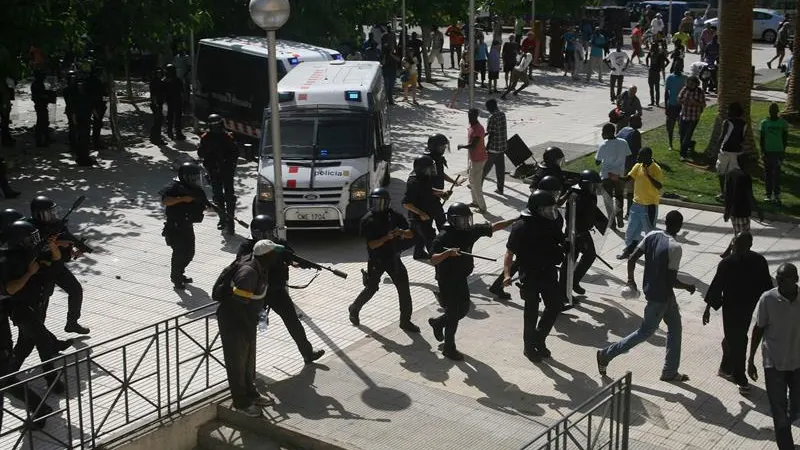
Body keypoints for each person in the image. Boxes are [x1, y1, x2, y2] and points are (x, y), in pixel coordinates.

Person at [598, 211, 696, 382]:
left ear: (665, 222)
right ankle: (606, 354)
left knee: (675, 330)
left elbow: (632, 258)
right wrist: (688, 286)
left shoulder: (652, 235)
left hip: (659, 294)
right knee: (645, 332)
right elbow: (671, 280)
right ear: (679, 226)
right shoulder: (675, 248)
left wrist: (631, 281)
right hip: (660, 298)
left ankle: (670, 371)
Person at [429, 203, 517, 360]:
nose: (465, 223)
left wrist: (515, 219)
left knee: (463, 309)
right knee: (454, 313)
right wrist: (447, 253)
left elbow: (493, 227)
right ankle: (449, 348)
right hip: (447, 279)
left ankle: (439, 323)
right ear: (453, 220)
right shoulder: (444, 236)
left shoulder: (470, 231)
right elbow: (433, 259)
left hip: (461, 277)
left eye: (467, 219)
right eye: (462, 220)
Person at [235, 215, 326, 365]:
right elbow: (242, 266)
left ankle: (308, 354)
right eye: (270, 233)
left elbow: (291, 257)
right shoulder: (247, 247)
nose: (273, 236)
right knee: (254, 326)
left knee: (293, 321)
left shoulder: (278, 244)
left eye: (273, 232)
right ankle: (246, 365)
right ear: (260, 234)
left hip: (276, 292)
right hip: (257, 295)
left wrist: (300, 263)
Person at [703, 232, 773, 394]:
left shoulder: (759, 261)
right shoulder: (727, 263)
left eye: (740, 245)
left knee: (736, 337)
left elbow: (767, 286)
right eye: (736, 244)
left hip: (748, 305)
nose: (736, 247)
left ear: (749, 245)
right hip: (731, 307)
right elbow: (716, 285)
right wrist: (707, 309)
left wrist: (771, 308)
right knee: (740, 339)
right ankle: (740, 377)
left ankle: (725, 367)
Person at [218, 239, 281, 417]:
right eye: (274, 254)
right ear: (267, 256)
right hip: (235, 322)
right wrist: (247, 327)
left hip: (247, 321)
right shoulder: (248, 273)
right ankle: (241, 402)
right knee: (237, 364)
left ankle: (251, 393)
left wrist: (260, 322)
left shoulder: (261, 266)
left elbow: (258, 299)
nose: (277, 257)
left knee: (247, 361)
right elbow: (238, 304)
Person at [503, 190, 564, 362]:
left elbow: (559, 240)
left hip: (549, 270)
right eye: (546, 209)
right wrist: (507, 274)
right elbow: (509, 252)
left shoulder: (551, 222)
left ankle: (539, 338)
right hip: (529, 274)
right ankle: (529, 347)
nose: (550, 212)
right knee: (531, 312)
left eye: (552, 209)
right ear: (536, 209)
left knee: (555, 305)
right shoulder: (521, 226)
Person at [349, 188, 418, 331]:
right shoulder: (367, 220)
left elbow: (411, 234)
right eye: (374, 202)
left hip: (393, 258)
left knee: (404, 289)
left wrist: (401, 232)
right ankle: (354, 308)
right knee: (372, 288)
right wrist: (386, 237)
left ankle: (405, 321)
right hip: (376, 260)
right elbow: (372, 244)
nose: (377, 206)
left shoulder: (395, 216)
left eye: (380, 203)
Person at [747, 263, 800, 450]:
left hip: (797, 363)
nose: (779, 280)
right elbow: (758, 328)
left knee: (795, 409)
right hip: (774, 364)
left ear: (796, 280)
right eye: (778, 276)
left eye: (784, 277)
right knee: (779, 412)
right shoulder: (767, 299)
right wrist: (751, 359)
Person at [29, 195, 90, 334]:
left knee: (76, 290)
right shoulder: (32, 228)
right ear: (38, 214)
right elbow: (37, 246)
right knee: (42, 303)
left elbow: (67, 239)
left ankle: (72, 323)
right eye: (48, 213)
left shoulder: (57, 225)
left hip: (57, 265)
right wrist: (56, 243)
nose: (53, 215)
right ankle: (38, 335)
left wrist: (73, 248)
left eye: (54, 212)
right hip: (42, 270)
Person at [160, 162, 207, 288]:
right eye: (194, 178)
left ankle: (180, 273)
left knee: (190, 253)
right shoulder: (174, 187)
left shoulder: (195, 189)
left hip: (187, 225)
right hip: (175, 226)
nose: (197, 180)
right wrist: (182, 199)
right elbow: (165, 201)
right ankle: (176, 278)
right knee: (179, 253)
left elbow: (203, 202)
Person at [617, 147, 664, 260]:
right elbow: (628, 179)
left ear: (648, 156)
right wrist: (617, 178)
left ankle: (651, 256)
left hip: (649, 206)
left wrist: (648, 176)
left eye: (640, 155)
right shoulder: (638, 166)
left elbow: (659, 186)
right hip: (636, 205)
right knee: (631, 231)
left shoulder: (656, 169)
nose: (637, 157)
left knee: (650, 233)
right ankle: (629, 251)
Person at [561, 170, 602, 296]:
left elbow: (593, 211)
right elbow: (570, 216)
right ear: (585, 184)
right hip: (575, 232)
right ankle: (562, 292)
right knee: (569, 261)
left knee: (590, 255)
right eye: (593, 185)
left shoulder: (590, 195)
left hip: (584, 231)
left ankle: (574, 281)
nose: (595, 188)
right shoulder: (575, 196)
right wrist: (576, 233)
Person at [198, 114, 239, 235]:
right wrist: (209, 152)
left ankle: (230, 222)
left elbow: (235, 154)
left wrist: (227, 164)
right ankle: (222, 218)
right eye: (213, 125)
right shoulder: (206, 138)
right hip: (214, 171)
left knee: (230, 197)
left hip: (226, 171)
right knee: (217, 196)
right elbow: (201, 154)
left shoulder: (228, 137)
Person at [403, 155, 448, 260]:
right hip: (418, 217)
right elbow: (406, 203)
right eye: (429, 168)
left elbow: (427, 190)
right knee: (430, 238)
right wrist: (421, 213)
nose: (432, 170)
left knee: (420, 237)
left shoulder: (424, 177)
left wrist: (441, 193)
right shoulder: (413, 182)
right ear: (422, 169)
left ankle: (418, 254)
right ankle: (437, 260)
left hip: (428, 212)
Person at [721, 153, 761, 259]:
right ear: (746, 164)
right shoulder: (746, 177)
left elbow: (727, 194)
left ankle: (728, 251)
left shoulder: (730, 173)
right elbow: (749, 196)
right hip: (743, 212)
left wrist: (726, 211)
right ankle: (734, 255)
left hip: (733, 211)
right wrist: (758, 210)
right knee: (743, 237)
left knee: (738, 234)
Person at [595, 123, 631, 230]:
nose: (601, 134)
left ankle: (612, 223)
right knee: (619, 197)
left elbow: (597, 162)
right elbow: (628, 155)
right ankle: (619, 218)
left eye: (603, 132)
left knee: (608, 200)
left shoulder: (603, 145)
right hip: (619, 176)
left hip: (606, 176)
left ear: (606, 133)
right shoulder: (623, 142)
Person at [424, 134, 462, 229]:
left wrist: (454, 181)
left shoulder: (438, 158)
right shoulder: (427, 161)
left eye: (445, 146)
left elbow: (440, 174)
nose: (444, 149)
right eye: (442, 146)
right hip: (427, 198)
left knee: (440, 223)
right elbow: (424, 185)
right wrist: (440, 194)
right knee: (435, 225)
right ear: (434, 146)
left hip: (436, 197)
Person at [715, 102, 747, 200]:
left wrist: (716, 149)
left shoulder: (727, 122)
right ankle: (733, 193)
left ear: (733, 111)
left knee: (721, 173)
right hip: (737, 152)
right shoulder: (744, 124)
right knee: (734, 174)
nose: (727, 111)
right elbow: (743, 138)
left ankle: (723, 193)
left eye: (729, 110)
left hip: (725, 151)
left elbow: (722, 137)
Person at [458, 109, 488, 212]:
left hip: (479, 159)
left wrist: (461, 146)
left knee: (476, 183)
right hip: (473, 158)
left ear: (476, 116)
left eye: (472, 116)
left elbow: (473, 144)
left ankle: (482, 207)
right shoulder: (472, 126)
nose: (470, 118)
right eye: (469, 116)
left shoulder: (478, 128)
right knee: (471, 180)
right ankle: (475, 202)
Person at [760, 102, 789, 204]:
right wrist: (762, 152)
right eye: (771, 111)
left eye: (774, 111)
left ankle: (776, 195)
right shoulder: (764, 123)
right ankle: (768, 194)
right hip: (767, 152)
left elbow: (785, 138)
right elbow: (762, 139)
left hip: (778, 152)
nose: (772, 112)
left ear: (777, 112)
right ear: (769, 111)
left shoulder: (783, 123)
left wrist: (783, 152)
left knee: (776, 173)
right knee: (768, 174)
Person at [616, 115, 643, 219]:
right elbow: (638, 152)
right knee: (630, 191)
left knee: (620, 191)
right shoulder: (635, 133)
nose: (641, 121)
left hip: (619, 165)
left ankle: (619, 212)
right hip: (629, 165)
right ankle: (629, 212)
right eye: (639, 120)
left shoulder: (623, 130)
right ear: (632, 121)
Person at [677, 75, 705, 161]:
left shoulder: (699, 92)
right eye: (688, 83)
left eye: (691, 83)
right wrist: (683, 101)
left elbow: (703, 105)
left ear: (696, 84)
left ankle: (683, 154)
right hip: (683, 116)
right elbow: (678, 99)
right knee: (682, 134)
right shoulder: (685, 89)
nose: (689, 85)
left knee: (687, 136)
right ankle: (690, 144)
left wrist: (694, 103)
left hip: (693, 118)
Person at [482, 99, 507, 195]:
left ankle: (477, 186)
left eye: (487, 108)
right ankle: (500, 189)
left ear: (490, 107)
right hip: (502, 146)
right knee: (500, 169)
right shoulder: (502, 114)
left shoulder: (492, 117)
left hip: (493, 147)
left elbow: (490, 132)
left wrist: (486, 145)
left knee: (484, 169)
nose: (487, 109)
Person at [664, 67, 687, 151]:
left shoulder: (685, 78)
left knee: (682, 126)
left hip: (681, 106)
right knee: (670, 126)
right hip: (672, 105)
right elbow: (666, 92)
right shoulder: (670, 77)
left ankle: (682, 144)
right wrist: (666, 106)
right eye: (676, 65)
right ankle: (670, 144)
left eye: (679, 65)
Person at [86, 66, 107, 149]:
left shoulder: (87, 81)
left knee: (87, 124)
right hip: (97, 106)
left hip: (87, 105)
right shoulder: (99, 83)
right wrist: (105, 102)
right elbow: (104, 95)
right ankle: (96, 143)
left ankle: (88, 141)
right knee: (97, 124)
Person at [31, 71, 52, 147]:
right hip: (40, 105)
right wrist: (47, 96)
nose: (44, 78)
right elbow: (39, 95)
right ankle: (39, 141)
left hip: (41, 105)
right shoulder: (37, 84)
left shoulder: (38, 84)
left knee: (44, 122)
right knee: (41, 123)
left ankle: (46, 138)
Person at [164, 64, 185, 140]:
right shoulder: (177, 80)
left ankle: (170, 132)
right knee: (177, 118)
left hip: (170, 101)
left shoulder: (165, 81)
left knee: (170, 117)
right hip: (176, 100)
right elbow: (182, 92)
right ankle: (177, 133)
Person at [380, 39, 401, 105]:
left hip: (392, 72)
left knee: (391, 87)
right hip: (385, 71)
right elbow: (382, 63)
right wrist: (385, 55)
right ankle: (385, 100)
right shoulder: (383, 54)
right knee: (385, 86)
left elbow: (398, 59)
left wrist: (391, 54)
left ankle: (390, 100)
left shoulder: (394, 53)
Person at [149, 67, 166, 145]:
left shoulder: (157, 81)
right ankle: (157, 139)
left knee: (157, 121)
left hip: (157, 103)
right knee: (158, 121)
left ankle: (153, 137)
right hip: (156, 104)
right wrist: (156, 104)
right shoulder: (156, 82)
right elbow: (154, 94)